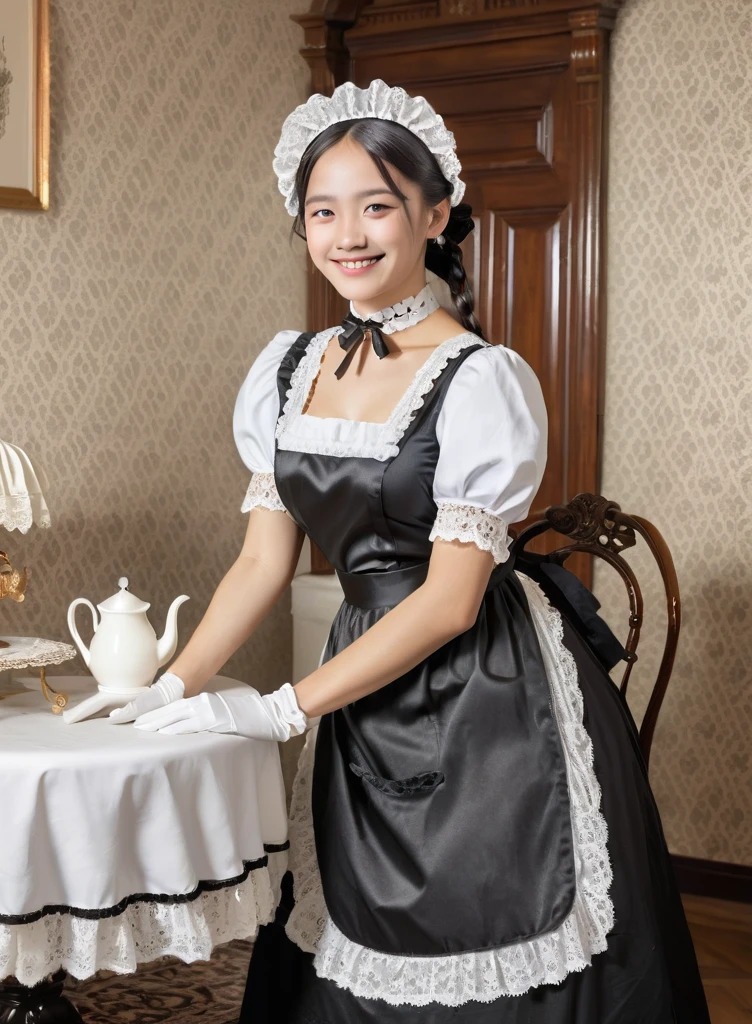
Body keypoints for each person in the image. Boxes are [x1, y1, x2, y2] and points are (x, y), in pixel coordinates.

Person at [109, 80, 710, 1023]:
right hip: (361, 678)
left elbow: (450, 602)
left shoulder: (480, 380)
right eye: (323, 210)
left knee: (503, 936)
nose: (348, 232)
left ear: (434, 215)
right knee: (345, 935)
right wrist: (174, 685)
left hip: (485, 698)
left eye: (377, 205)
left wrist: (280, 710)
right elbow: (265, 560)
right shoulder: (285, 370)